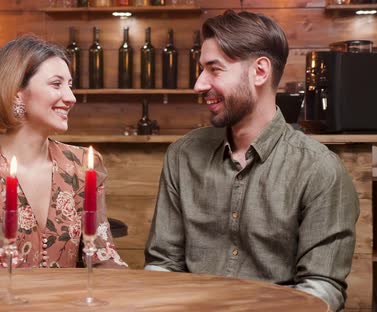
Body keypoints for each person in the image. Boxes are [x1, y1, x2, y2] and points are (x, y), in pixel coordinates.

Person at [144, 10, 359, 312]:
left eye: (214, 69)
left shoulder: (319, 169)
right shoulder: (183, 155)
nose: (199, 85)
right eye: (201, 69)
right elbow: (163, 264)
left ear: (260, 71)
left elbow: (322, 288)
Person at [0, 35, 127, 269]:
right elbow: (2, 268)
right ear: (16, 93)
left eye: (70, 85)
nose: (71, 98)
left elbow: (104, 257)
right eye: (56, 84)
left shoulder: (85, 164)